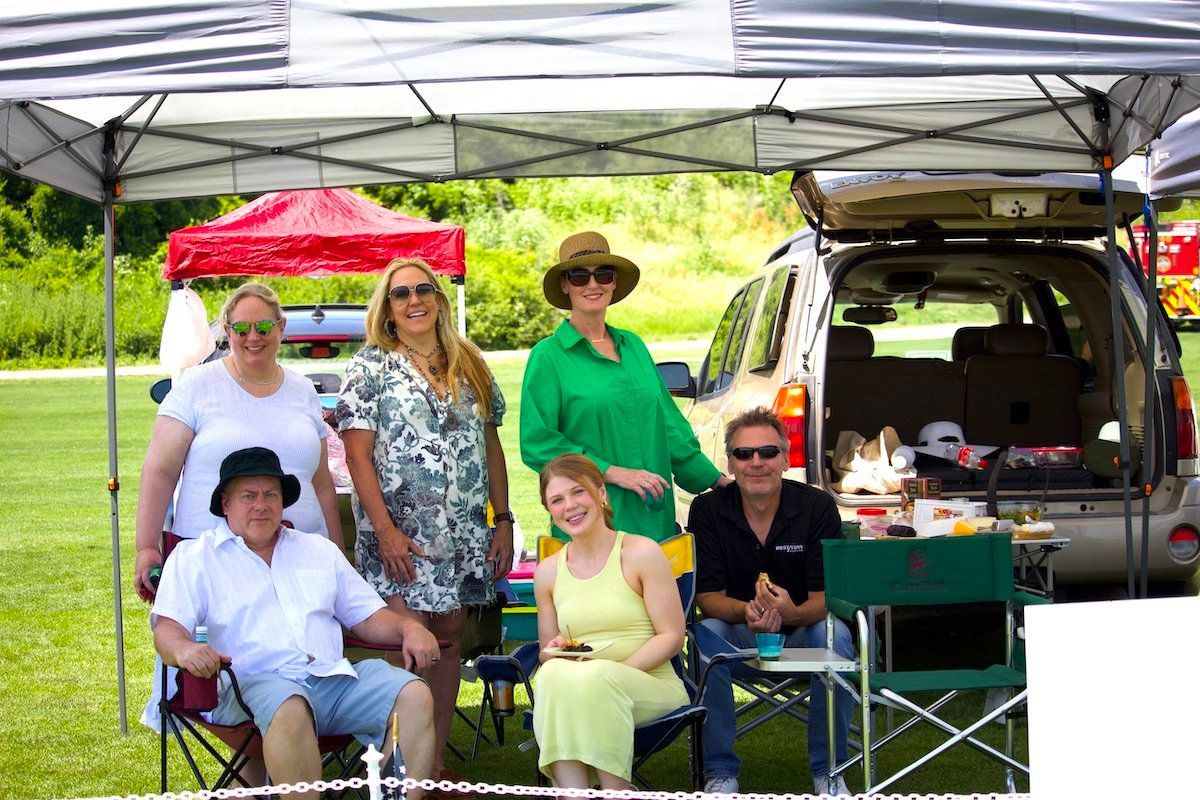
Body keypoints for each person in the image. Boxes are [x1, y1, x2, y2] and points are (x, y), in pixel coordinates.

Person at [152, 447, 438, 800]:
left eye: (271, 494)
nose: (261, 504)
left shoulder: (317, 549)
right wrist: (184, 650)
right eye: (248, 496)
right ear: (225, 504)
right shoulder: (196, 557)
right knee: (289, 704)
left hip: (331, 680)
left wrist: (409, 628)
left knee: (412, 693)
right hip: (249, 687)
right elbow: (166, 629)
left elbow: (367, 617)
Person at [336, 258, 512, 785]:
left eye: (423, 290)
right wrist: (386, 531)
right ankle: (395, 773)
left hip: (462, 534)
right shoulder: (371, 366)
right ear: (387, 310)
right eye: (400, 294)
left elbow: (491, 444)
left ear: (438, 298)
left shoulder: (471, 362)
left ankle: (431, 768)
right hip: (401, 538)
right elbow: (356, 455)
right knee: (409, 642)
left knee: (450, 640)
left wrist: (501, 520)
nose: (414, 301)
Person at [135, 281, 342, 600]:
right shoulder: (196, 385)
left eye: (263, 326)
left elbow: (322, 483)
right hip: (211, 563)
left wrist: (336, 553)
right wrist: (147, 547)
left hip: (301, 562)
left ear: (281, 327)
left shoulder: (303, 391)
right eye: (242, 328)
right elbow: (159, 471)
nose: (253, 337)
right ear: (227, 332)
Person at [520, 231, 729, 542]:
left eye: (603, 274)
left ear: (614, 282)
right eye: (579, 276)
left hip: (653, 521)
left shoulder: (633, 345)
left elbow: (668, 424)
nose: (593, 284)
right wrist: (611, 471)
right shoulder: (548, 356)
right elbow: (538, 442)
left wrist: (715, 480)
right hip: (593, 525)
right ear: (564, 285)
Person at [689, 407, 854, 797]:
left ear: (785, 457)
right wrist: (746, 611)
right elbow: (706, 597)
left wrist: (790, 612)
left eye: (767, 452)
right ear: (729, 461)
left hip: (802, 633)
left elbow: (827, 599)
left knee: (837, 636)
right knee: (703, 636)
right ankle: (719, 773)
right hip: (736, 635)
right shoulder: (708, 510)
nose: (756, 463)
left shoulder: (816, 507)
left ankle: (830, 771)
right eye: (744, 454)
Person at [530, 454, 688, 789]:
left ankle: (615, 793)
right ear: (550, 512)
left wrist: (612, 673)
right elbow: (547, 652)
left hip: (650, 682)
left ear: (602, 494)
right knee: (552, 674)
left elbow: (672, 635)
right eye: (557, 500)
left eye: (578, 492)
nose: (570, 506)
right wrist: (555, 651)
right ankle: (574, 795)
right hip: (580, 687)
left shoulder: (640, 553)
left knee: (595, 679)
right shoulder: (547, 572)